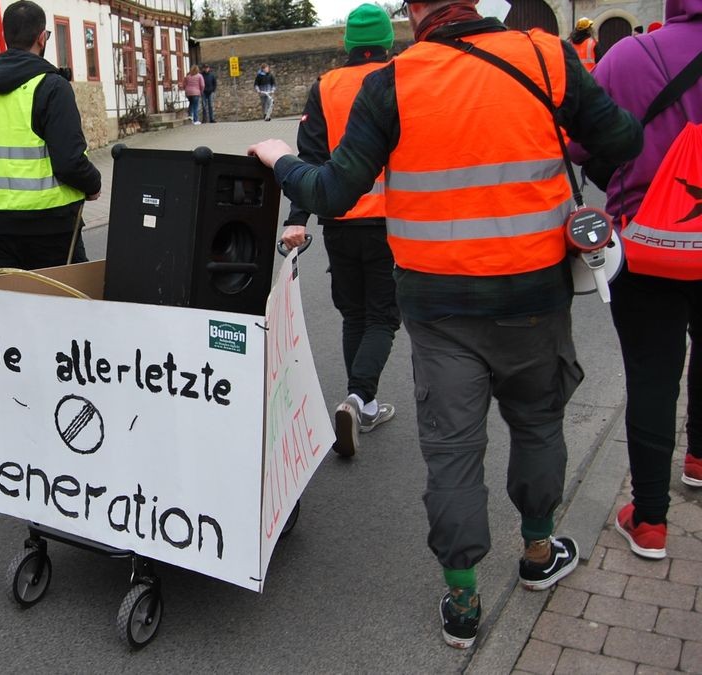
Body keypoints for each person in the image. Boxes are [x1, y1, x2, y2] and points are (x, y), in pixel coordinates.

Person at [247, 0, 641, 649]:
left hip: (437, 305)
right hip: (534, 295)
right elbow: (622, 142)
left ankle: (463, 600)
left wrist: (277, 158)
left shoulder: (393, 83)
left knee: (452, 450)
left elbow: (333, 193)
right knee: (538, 422)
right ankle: (539, 553)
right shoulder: (545, 55)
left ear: (412, 9)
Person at [568, 0, 702, 560]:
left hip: (650, 244)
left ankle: (649, 519)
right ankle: (698, 458)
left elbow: (579, 145)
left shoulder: (630, 54)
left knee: (652, 374)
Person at [282, 3, 400, 457]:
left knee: (354, 313)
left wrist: (297, 219)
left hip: (339, 218)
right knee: (383, 316)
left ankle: (365, 405)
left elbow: (308, 160)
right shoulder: (398, 79)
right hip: (391, 218)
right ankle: (357, 397)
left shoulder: (325, 86)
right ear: (388, 42)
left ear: (347, 45)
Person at [0, 0, 101, 272]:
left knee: (3, 309)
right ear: (42, 38)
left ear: (6, 36)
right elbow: (69, 163)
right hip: (51, 231)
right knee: (64, 308)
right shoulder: (52, 87)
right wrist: (93, 184)